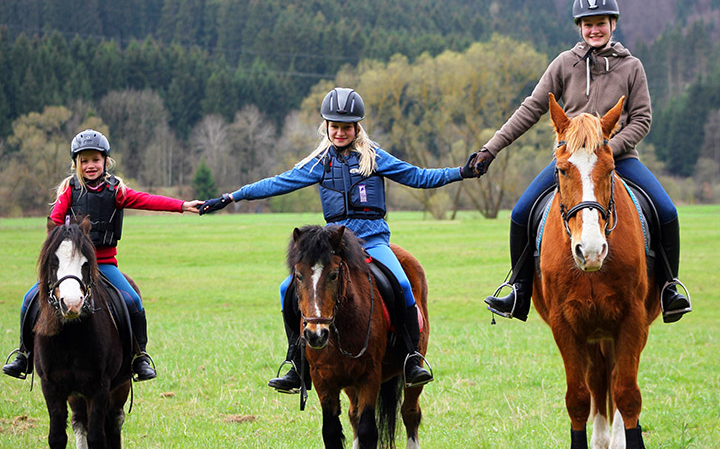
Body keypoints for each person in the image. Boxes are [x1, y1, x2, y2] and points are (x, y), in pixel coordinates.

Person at [200, 87, 479, 391]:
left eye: (347, 127)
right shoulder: (319, 163)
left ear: (356, 127)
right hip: (336, 246)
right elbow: (276, 184)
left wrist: (461, 172)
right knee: (285, 289)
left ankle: (412, 358)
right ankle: (297, 362)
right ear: (327, 127)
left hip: (373, 242)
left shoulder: (375, 158)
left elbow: (420, 177)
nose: (341, 132)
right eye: (335, 127)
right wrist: (232, 197)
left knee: (401, 284)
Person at [479, 0, 691, 324]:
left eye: (601, 23)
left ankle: (669, 288)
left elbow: (642, 119)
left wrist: (607, 150)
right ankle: (518, 291)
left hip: (618, 159)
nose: (595, 30)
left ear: (613, 24)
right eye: (588, 24)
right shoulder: (565, 63)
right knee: (520, 214)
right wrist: (490, 149)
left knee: (667, 211)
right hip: (571, 162)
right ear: (580, 27)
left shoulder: (632, 67)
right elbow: (532, 108)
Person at [2, 129, 202, 381]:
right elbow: (53, 224)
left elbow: (147, 200)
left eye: (95, 160)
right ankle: (24, 355)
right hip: (72, 267)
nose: (90, 165)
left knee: (133, 303)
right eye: (84, 161)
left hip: (104, 265)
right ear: (76, 164)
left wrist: (182, 205)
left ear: (106, 161)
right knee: (28, 300)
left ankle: (139, 357)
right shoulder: (68, 190)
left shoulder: (116, 190)